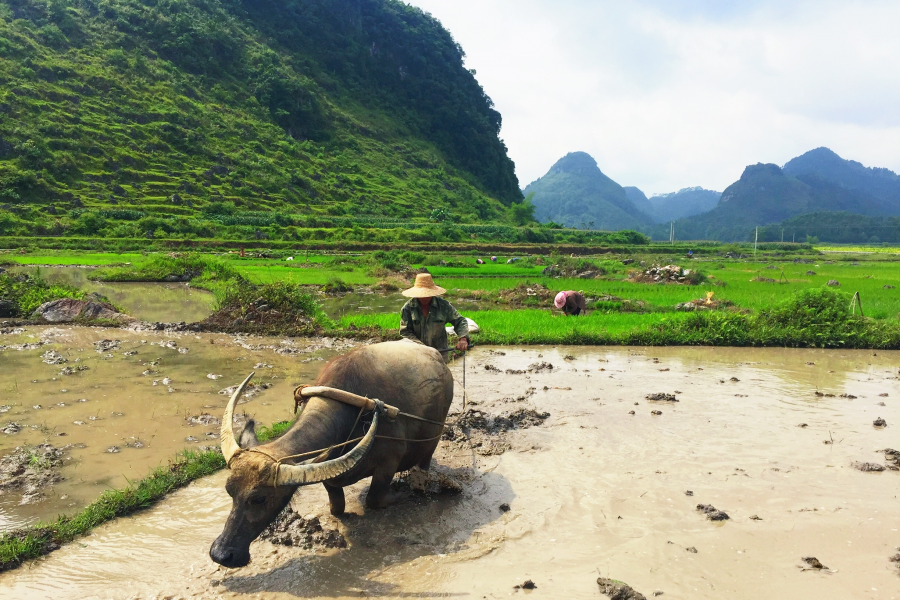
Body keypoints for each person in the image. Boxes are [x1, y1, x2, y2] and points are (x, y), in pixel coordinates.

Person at [400, 273, 469, 355]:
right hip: (417, 354)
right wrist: (421, 347)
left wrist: (463, 339)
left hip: (439, 353)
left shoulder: (443, 306)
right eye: (421, 295)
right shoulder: (408, 308)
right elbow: (405, 332)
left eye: (427, 294)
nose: (424, 297)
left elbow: (460, 321)